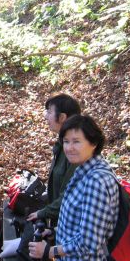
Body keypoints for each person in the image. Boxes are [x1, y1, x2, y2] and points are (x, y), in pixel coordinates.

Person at [29, 115, 119, 261]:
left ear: (94, 143)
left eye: (76, 141)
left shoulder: (96, 181)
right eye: (66, 141)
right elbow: (82, 223)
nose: (70, 147)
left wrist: (49, 251)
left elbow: (88, 242)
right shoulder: (84, 171)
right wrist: (56, 232)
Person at [27, 94, 82, 223]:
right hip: (59, 223)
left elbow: (70, 195)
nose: (46, 116)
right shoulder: (62, 144)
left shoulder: (75, 152)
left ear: (62, 117)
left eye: (50, 112)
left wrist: (44, 213)